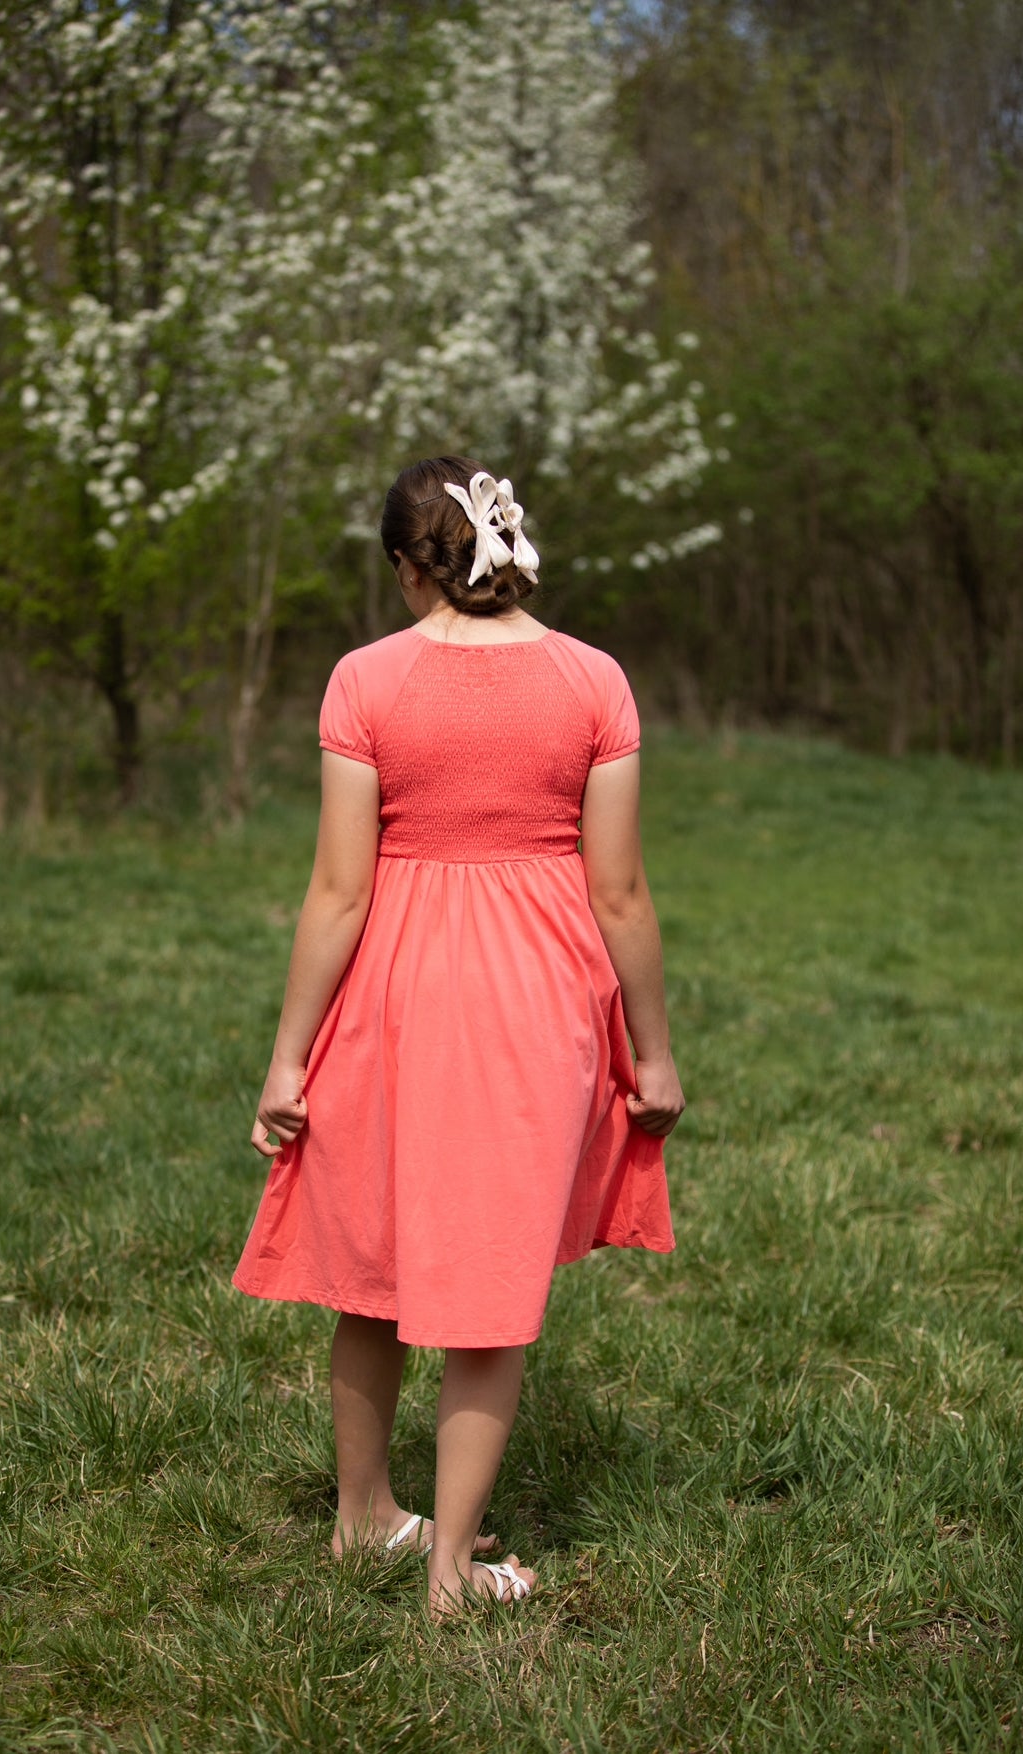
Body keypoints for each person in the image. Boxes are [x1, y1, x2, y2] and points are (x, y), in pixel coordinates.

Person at [233, 456, 684, 1619]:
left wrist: (289, 1054)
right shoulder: (595, 679)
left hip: (393, 989)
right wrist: (654, 1050)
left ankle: (364, 1516)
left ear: (405, 565)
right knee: (492, 1277)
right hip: (537, 997)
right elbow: (620, 891)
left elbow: (339, 889)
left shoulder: (363, 680)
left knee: (371, 1263)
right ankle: (444, 1574)